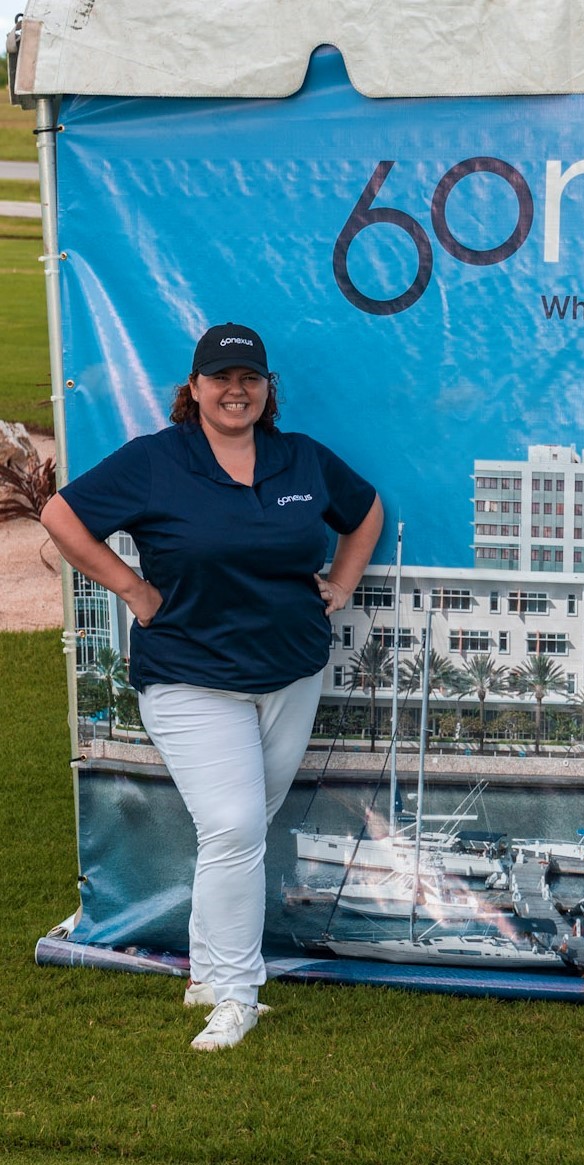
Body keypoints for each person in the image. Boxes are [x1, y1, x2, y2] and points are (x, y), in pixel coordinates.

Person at [41, 323, 383, 1051]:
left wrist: (343, 583)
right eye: (220, 378)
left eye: (250, 378)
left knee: (239, 828)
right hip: (190, 673)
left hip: (290, 670)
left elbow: (365, 512)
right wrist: (133, 588)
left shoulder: (301, 459)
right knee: (233, 827)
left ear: (267, 389)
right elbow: (61, 516)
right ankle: (236, 991)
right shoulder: (157, 461)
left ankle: (205, 966)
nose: (237, 390)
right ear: (192, 389)